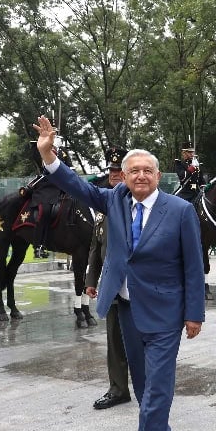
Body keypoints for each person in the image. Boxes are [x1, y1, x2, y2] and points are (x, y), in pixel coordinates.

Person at [33, 116, 205, 431]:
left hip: (165, 312)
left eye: (147, 171)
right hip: (126, 308)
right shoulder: (114, 200)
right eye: (133, 171)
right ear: (124, 177)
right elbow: (74, 184)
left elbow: (194, 265)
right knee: (141, 382)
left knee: (157, 383)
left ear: (158, 176)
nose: (140, 176)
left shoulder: (179, 211)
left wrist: (194, 314)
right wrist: (49, 155)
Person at [86, 146, 133, 410]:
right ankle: (118, 389)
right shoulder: (104, 207)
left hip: (138, 286)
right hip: (112, 285)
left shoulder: (138, 204)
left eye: (119, 170)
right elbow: (97, 246)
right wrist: (91, 280)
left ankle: (151, 388)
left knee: (145, 340)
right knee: (114, 341)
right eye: (112, 170)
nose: (114, 174)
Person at [27, 137, 73, 259]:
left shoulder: (62, 151)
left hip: (63, 186)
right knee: (45, 211)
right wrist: (46, 147)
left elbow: (70, 167)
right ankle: (38, 246)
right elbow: (42, 163)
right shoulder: (45, 150)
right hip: (47, 188)